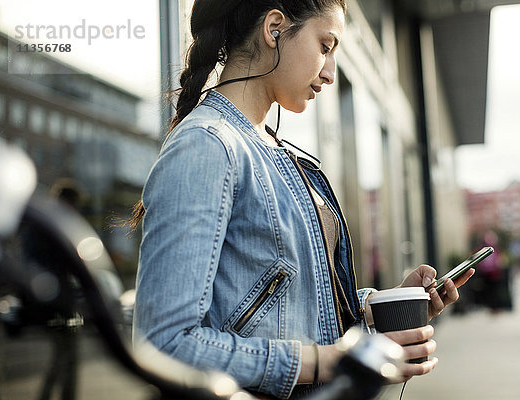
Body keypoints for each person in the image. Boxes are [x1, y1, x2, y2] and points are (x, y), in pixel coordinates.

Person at [130, 1, 473, 398]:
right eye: (325, 47)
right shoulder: (207, 146)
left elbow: (281, 306)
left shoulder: (275, 151)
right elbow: (165, 344)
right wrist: (323, 360)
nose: (329, 73)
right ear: (274, 28)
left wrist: (376, 309)